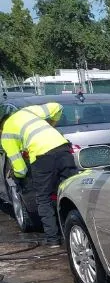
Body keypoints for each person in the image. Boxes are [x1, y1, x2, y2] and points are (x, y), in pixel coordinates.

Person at [0, 103, 77, 248]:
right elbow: (58, 107)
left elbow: (20, 169)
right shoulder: (28, 111)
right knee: (72, 193)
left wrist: (19, 177)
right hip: (63, 148)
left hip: (41, 157)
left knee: (43, 199)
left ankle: (53, 239)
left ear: (1, 128)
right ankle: (75, 231)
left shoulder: (6, 135)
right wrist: (51, 125)